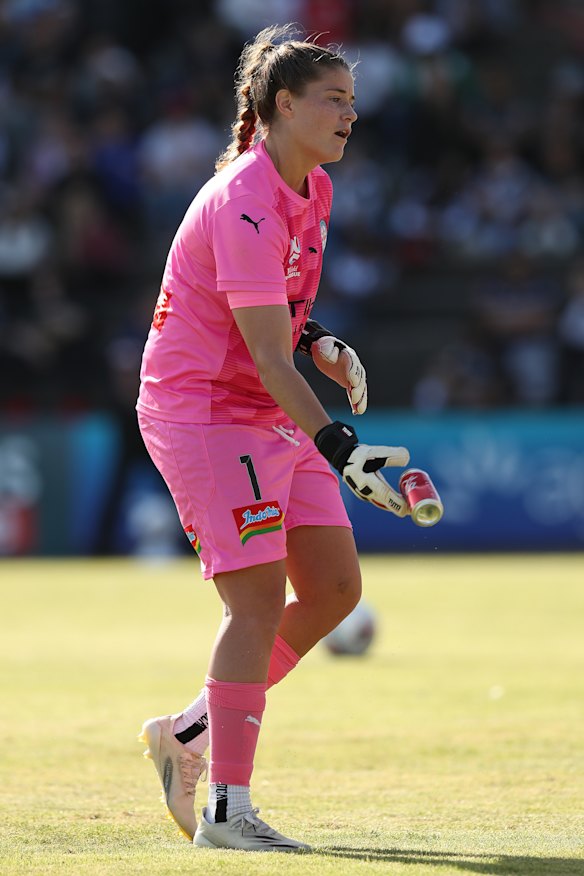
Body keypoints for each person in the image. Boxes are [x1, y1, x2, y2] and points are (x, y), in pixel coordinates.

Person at [136, 23, 411, 853]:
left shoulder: (311, 187)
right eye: (333, 100)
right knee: (254, 600)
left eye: (353, 102)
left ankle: (187, 732)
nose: (349, 115)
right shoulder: (247, 197)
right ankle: (227, 809)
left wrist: (319, 338)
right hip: (205, 412)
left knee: (333, 591)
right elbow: (257, 347)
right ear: (282, 106)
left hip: (262, 405)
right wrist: (341, 447)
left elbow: (278, 315)